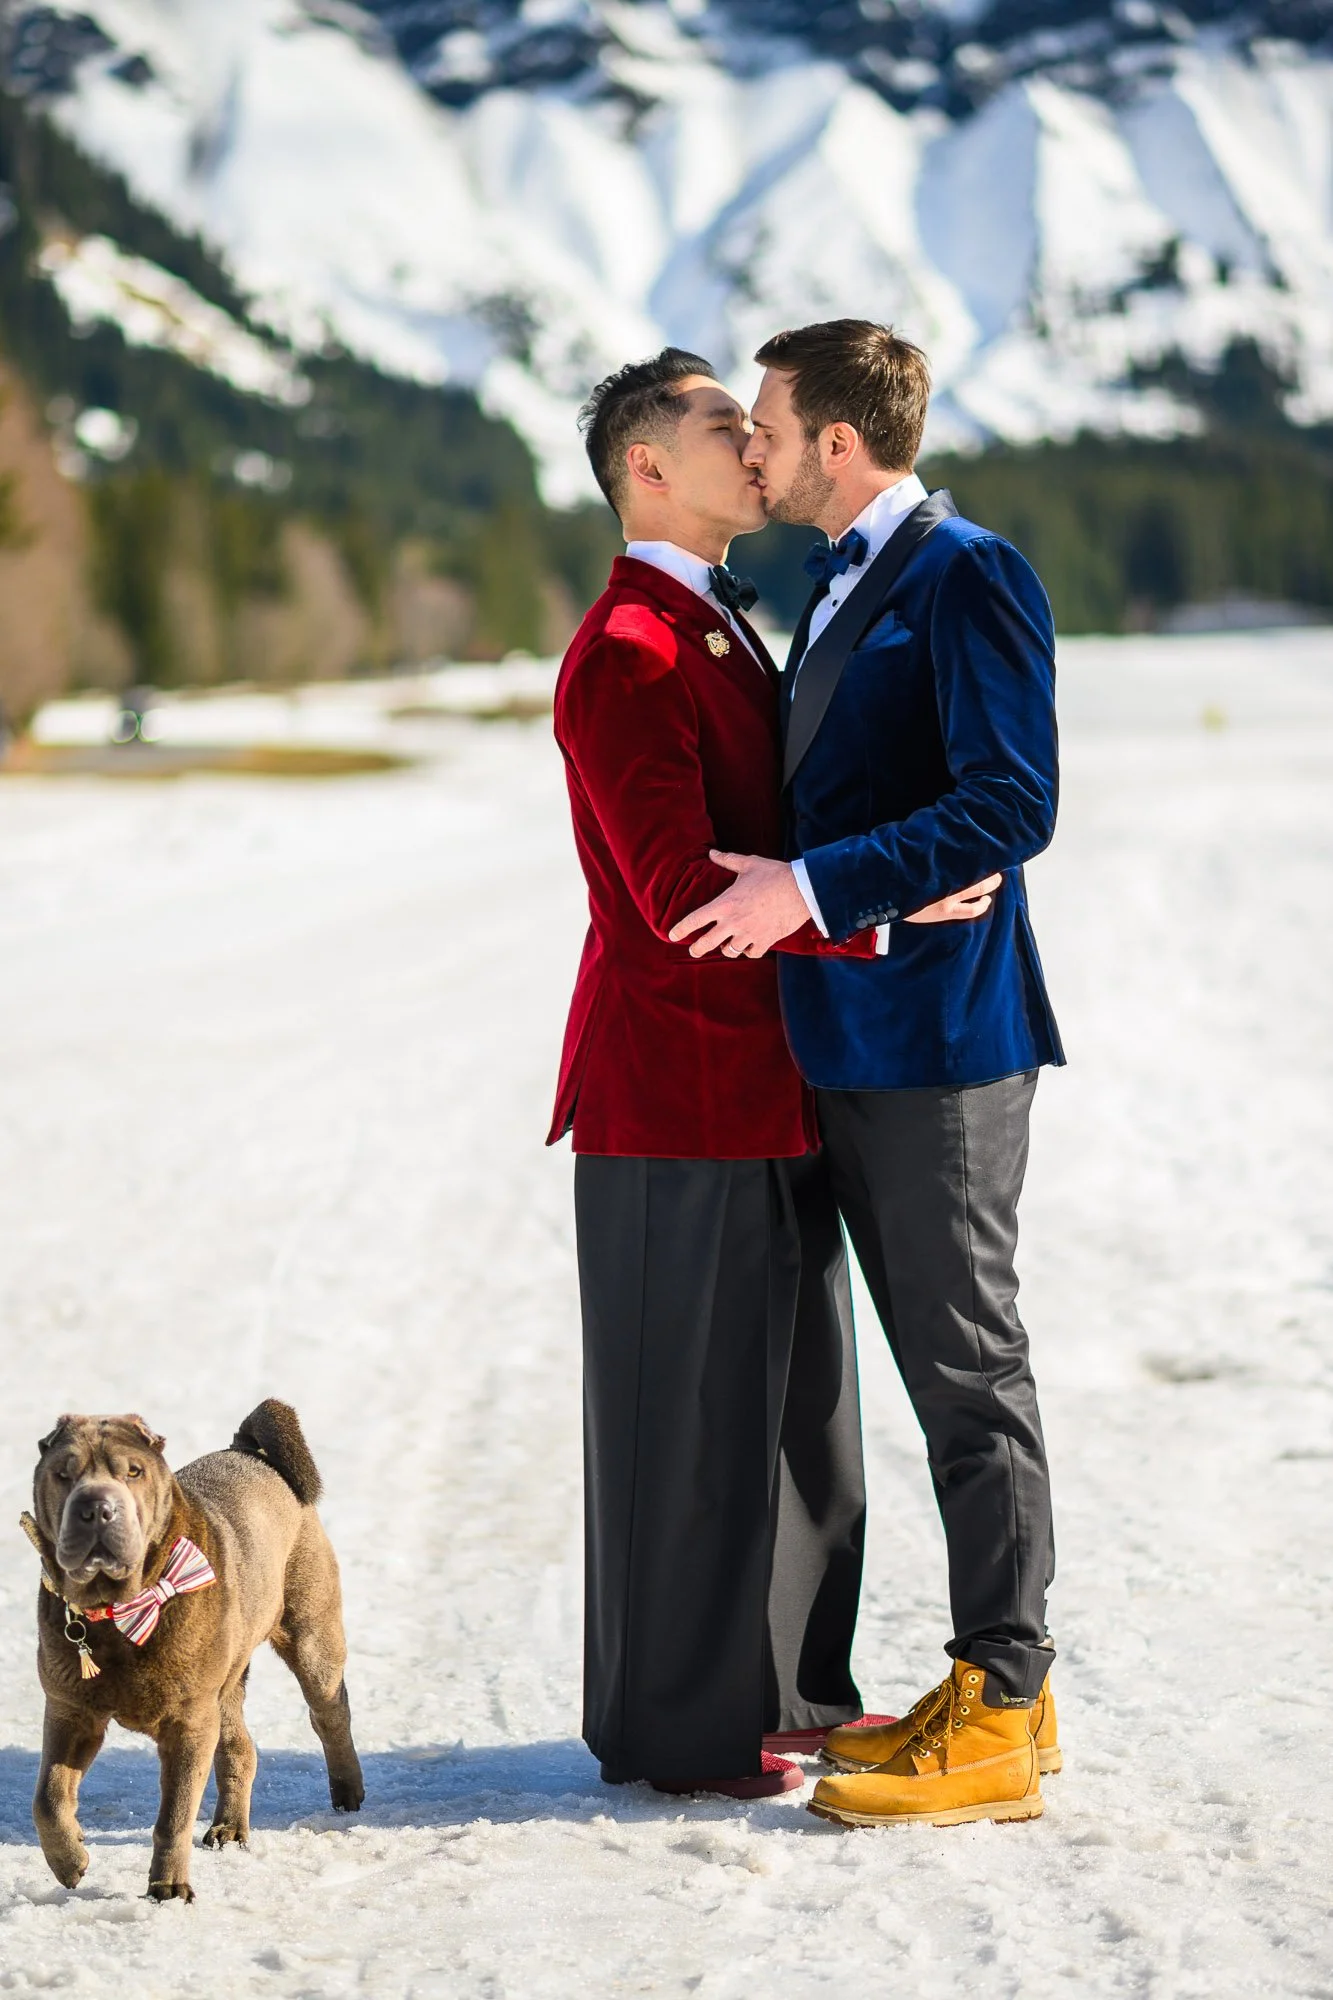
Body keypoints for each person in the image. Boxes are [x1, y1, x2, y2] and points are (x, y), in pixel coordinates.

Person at [548, 347, 987, 1801]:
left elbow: (784, 846)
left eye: (759, 421)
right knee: (691, 1431)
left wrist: (867, 884)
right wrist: (883, 915)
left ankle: (793, 1694)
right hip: (673, 1097)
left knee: (796, 1424)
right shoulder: (627, 651)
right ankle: (684, 1733)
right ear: (647, 469)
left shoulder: (723, 628)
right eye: (722, 424)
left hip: (761, 1087)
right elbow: (683, 897)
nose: (757, 443)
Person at [670, 319, 1064, 1829]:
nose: (751, 446)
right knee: (889, 1379)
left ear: (839, 441)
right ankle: (978, 1695)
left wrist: (823, 888)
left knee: (969, 1373)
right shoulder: (837, 582)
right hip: (839, 1043)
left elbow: (1012, 798)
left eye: (765, 422)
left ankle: (1008, 1700)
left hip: (944, 1051)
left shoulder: (970, 573)